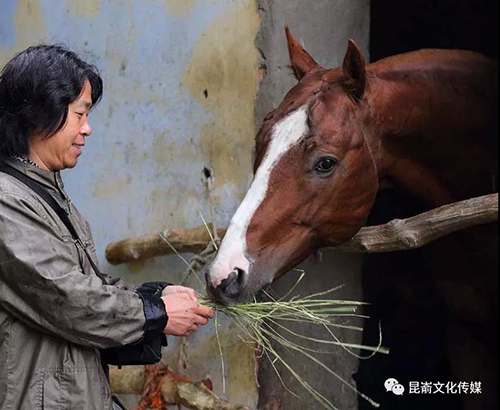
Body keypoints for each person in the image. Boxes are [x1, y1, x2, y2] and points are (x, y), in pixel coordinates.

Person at [0, 44, 214, 410]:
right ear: (41, 115)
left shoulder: (47, 193)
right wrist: (156, 315)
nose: (87, 129)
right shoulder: (7, 201)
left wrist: (153, 297)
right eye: (79, 114)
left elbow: (87, 284)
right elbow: (67, 299)